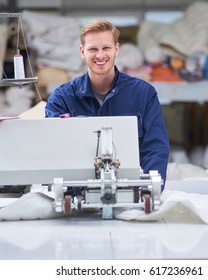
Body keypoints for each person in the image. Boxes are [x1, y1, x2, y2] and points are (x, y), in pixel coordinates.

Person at [45, 19, 169, 190]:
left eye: (106, 48)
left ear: (116, 49)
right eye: (93, 49)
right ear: (82, 52)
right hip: (77, 196)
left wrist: (149, 190)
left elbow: (155, 147)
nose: (100, 55)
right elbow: (54, 150)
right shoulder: (62, 98)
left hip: (131, 192)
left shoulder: (144, 93)